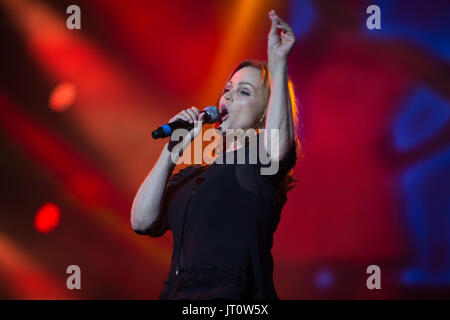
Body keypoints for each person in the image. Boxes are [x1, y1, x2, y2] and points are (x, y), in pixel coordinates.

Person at [131, 10, 301, 299]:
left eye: (244, 92)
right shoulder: (194, 174)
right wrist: (172, 150)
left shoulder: (258, 164)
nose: (228, 97)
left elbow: (275, 146)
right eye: (227, 89)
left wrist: (278, 61)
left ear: (265, 113)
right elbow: (142, 221)